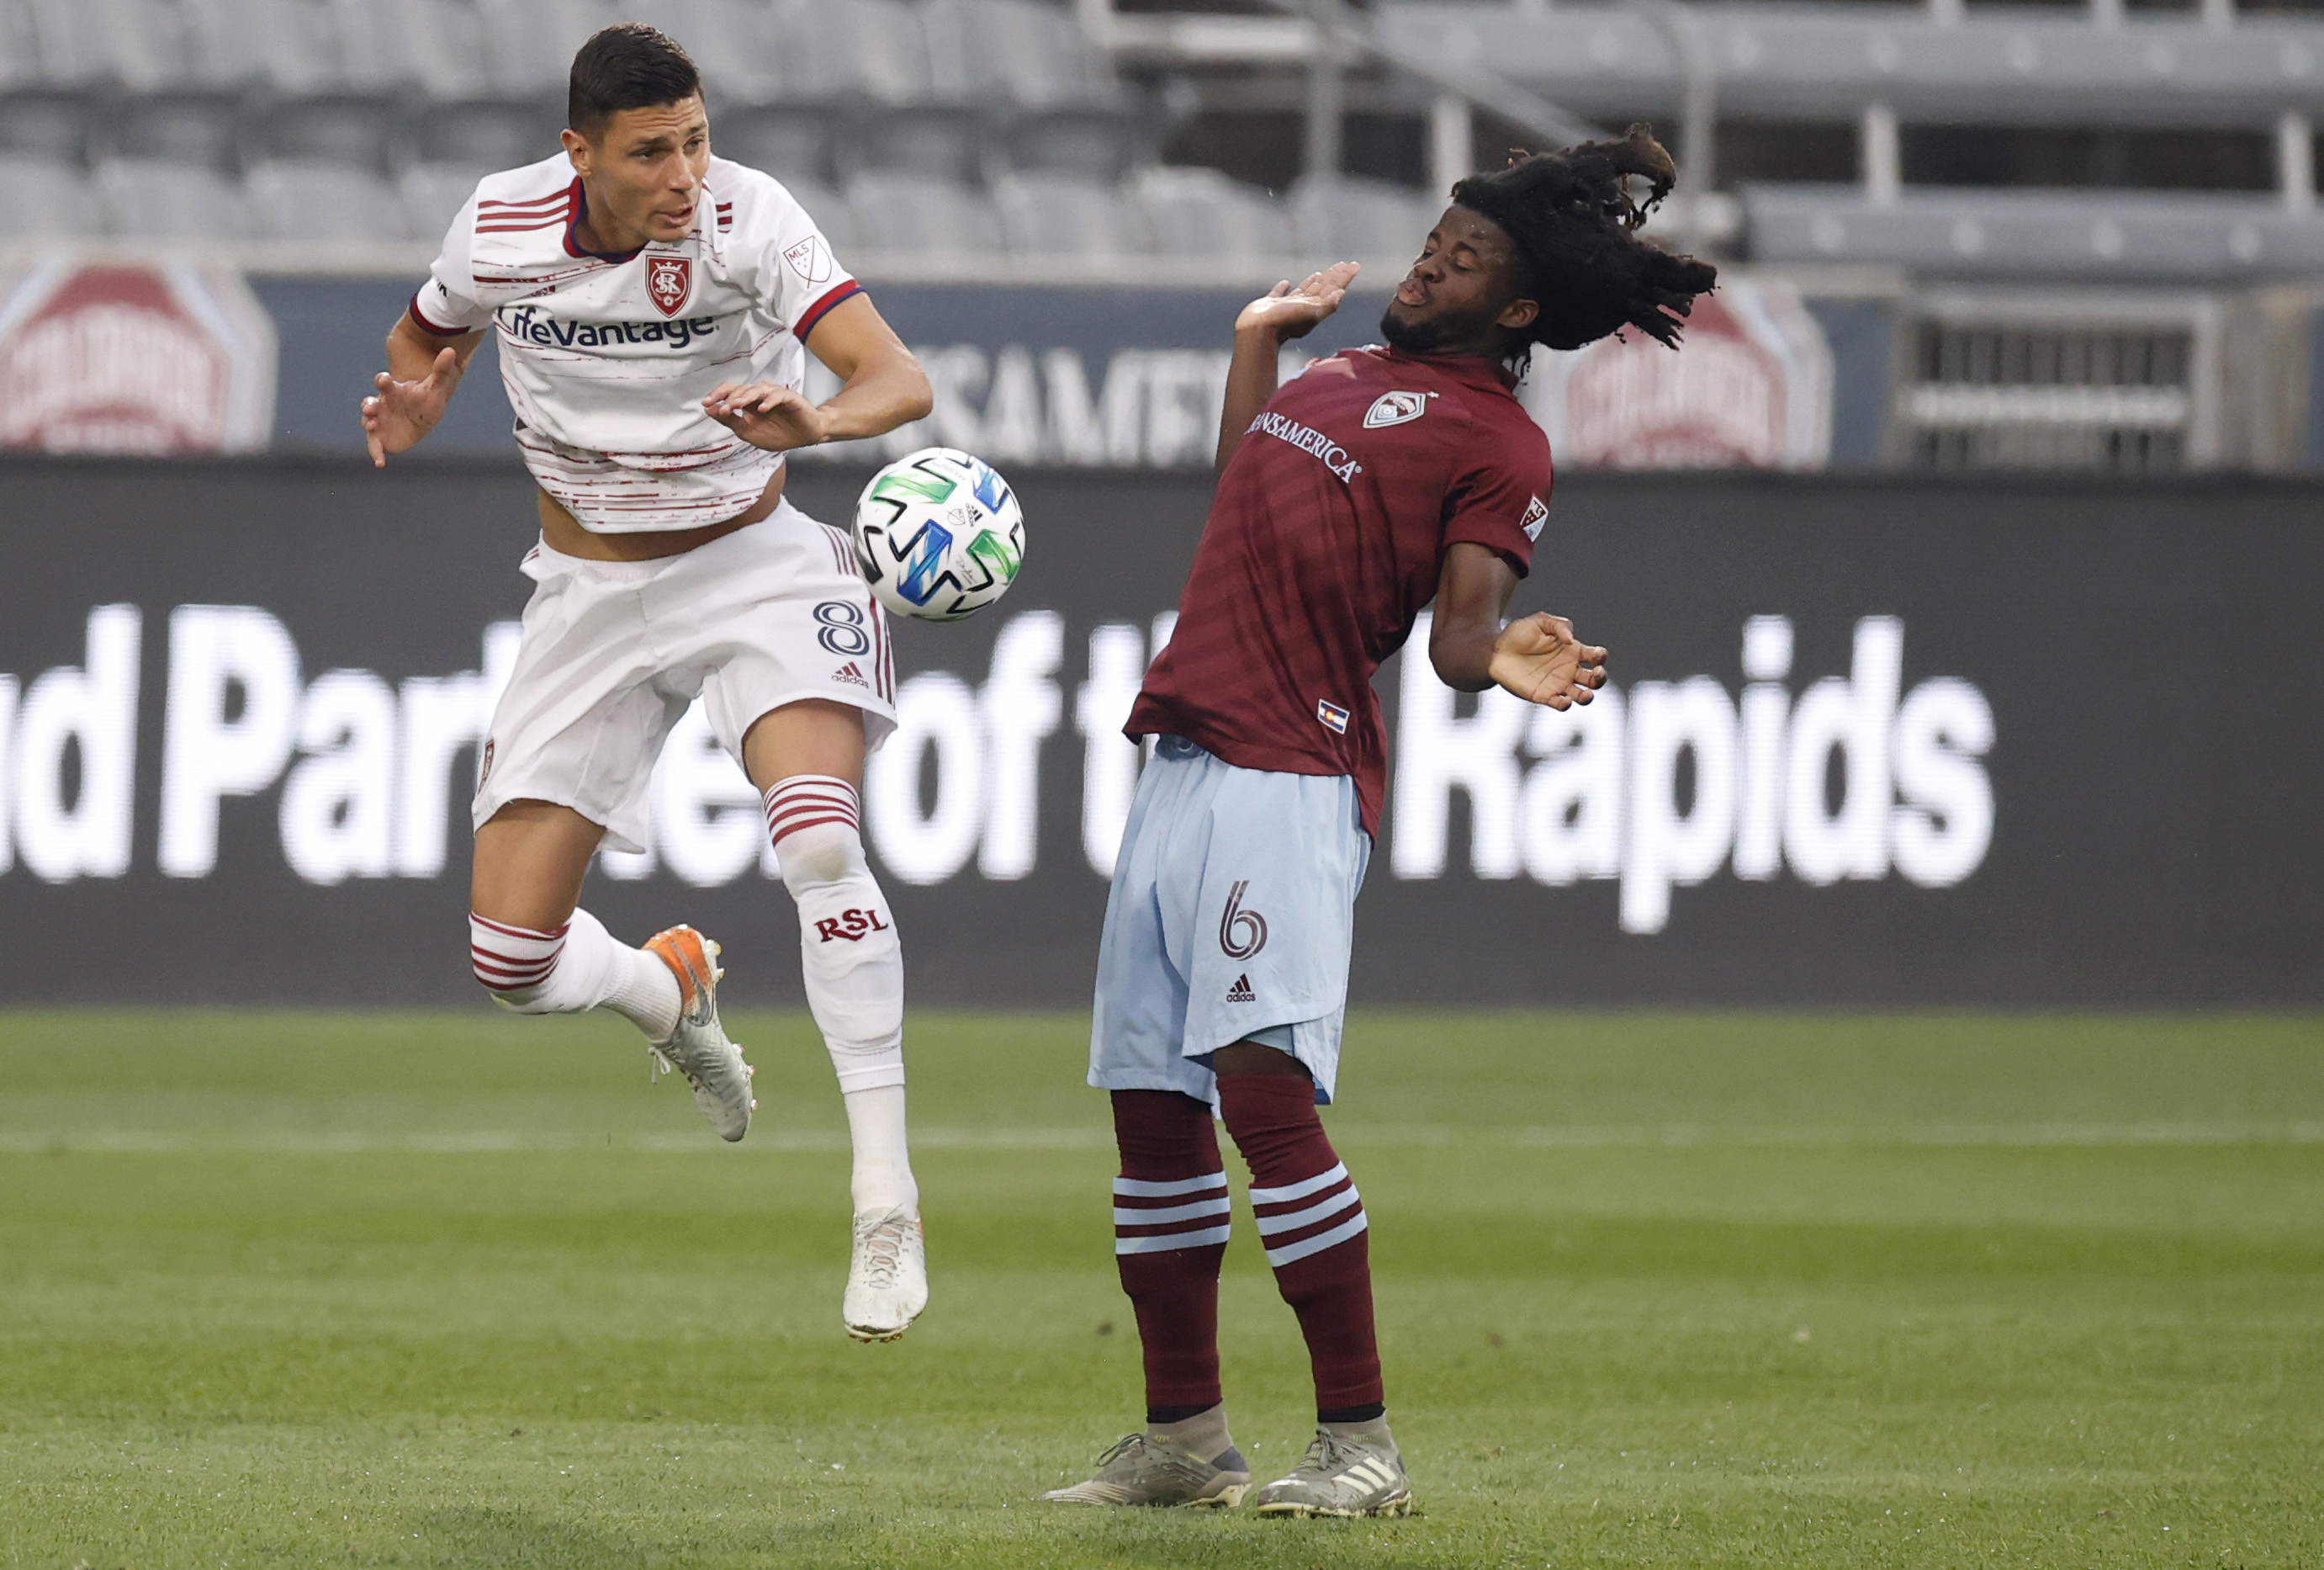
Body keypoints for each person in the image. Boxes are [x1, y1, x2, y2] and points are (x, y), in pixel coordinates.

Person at [1041, 128, 1718, 1516]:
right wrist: (1254, 347)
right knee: (1152, 1114)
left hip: (1291, 774)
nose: (1428, 266)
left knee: (1266, 1102)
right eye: (1432, 243)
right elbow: (1240, 490)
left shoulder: (1499, 441)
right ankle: (1185, 1437)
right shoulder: (1342, 373)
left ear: (1518, 309)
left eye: (1463, 260)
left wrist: (1501, 656)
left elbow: (1462, 634)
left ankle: (1361, 1443)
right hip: (1181, 755)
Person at [360, 24, 936, 1344]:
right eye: (651, 152)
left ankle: (883, 1200)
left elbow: (895, 377)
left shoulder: (749, 220)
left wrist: (823, 421)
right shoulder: (500, 225)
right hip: (587, 592)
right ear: (581, 153)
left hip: (755, 566)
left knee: (821, 841)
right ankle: (667, 994)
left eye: (695, 138)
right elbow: (424, 330)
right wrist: (416, 399)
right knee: (508, 956)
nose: (684, 172)